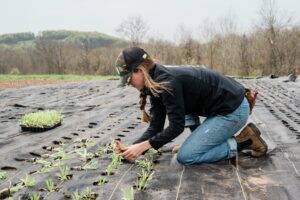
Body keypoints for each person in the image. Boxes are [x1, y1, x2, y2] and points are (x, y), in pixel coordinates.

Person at [113, 46, 268, 165]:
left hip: (233, 111)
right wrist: (130, 149)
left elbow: (176, 127)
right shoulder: (154, 82)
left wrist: (141, 148)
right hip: (219, 108)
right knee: (188, 138)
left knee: (187, 156)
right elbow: (156, 127)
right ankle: (198, 142)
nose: (129, 84)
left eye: (129, 80)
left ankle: (245, 140)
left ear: (139, 70)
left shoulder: (167, 82)